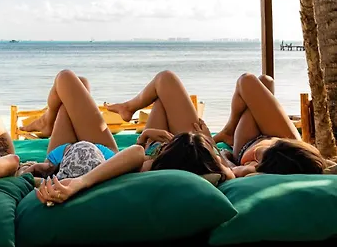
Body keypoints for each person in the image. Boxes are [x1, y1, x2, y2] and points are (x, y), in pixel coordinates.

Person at [36, 70, 326, 206]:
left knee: (70, 81)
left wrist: (216, 149)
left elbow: (136, 156)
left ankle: (50, 120)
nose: (252, 159)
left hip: (85, 155)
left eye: (256, 160)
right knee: (264, 82)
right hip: (108, 154)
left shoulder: (240, 173)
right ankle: (53, 119)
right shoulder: (265, 160)